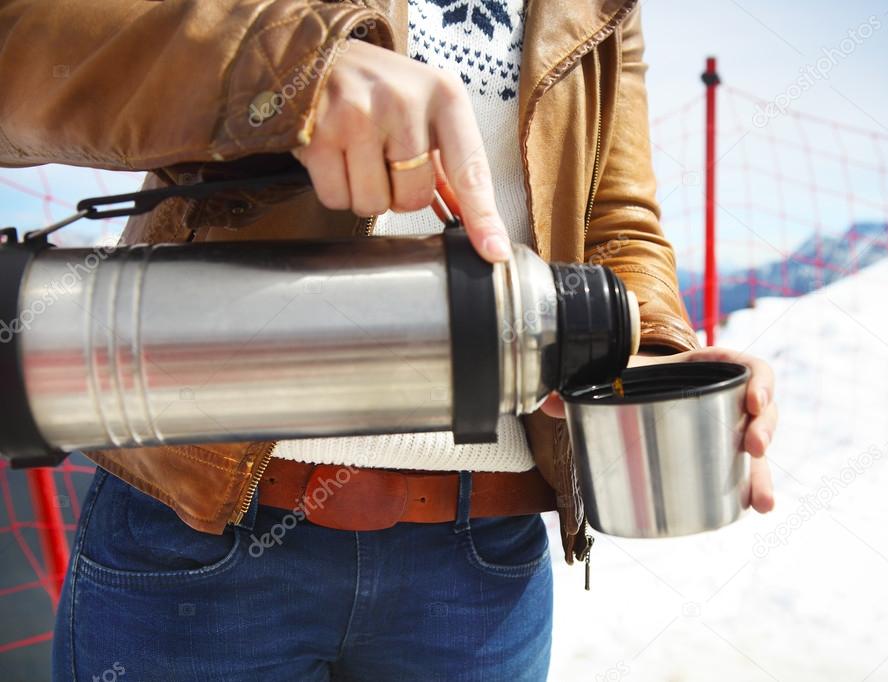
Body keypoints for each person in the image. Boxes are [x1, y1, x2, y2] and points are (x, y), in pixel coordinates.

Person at [0, 0, 778, 679]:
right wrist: (289, 66)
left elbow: (617, 219)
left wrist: (643, 356)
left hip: (480, 569)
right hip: (201, 532)